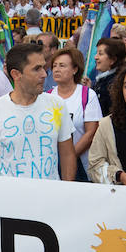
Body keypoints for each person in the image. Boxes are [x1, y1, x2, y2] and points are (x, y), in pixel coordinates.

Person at [0, 44, 75, 180]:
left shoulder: (57, 105)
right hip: (9, 199)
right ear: (16, 74)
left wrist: (66, 192)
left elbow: (67, 154)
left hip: (50, 198)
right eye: (37, 69)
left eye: (44, 67)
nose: (44, 74)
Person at [47, 46, 101, 180]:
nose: (57, 69)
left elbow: (91, 132)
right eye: (54, 66)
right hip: (52, 166)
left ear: (75, 69)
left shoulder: (87, 95)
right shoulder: (47, 97)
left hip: (81, 165)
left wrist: (68, 157)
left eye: (62, 65)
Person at [90, 37, 126, 118]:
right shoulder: (103, 80)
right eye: (96, 53)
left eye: (100, 54)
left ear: (112, 60)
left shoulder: (116, 83)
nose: (95, 57)